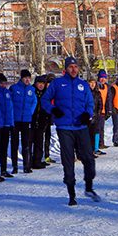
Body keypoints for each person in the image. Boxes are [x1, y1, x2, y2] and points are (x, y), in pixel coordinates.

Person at [41, 57, 99, 206]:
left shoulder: (83, 85)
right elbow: (45, 100)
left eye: (75, 66)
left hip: (81, 127)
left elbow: (89, 103)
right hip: (65, 127)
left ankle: (89, 186)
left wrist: (88, 114)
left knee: (88, 158)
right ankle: (71, 193)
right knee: (68, 160)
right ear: (65, 69)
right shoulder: (57, 84)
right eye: (70, 67)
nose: (73, 69)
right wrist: (53, 110)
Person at [9, 69, 37, 173]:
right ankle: (15, 166)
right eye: (25, 78)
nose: (27, 80)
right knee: (14, 143)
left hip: (26, 120)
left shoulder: (31, 89)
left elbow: (34, 101)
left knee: (26, 143)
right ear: (21, 78)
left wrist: (30, 112)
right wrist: (11, 115)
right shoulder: (14, 88)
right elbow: (10, 103)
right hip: (15, 120)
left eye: (29, 78)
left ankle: (27, 165)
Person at [0, 73, 14, 178]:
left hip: (7, 124)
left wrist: (11, 123)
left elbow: (10, 109)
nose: (3, 85)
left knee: (4, 148)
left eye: (5, 83)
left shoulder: (8, 93)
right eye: (1, 83)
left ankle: (4, 169)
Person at [30, 75, 48, 169]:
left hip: (41, 120)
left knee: (39, 141)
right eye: (39, 83)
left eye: (43, 83)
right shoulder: (32, 91)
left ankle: (37, 160)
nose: (41, 85)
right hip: (31, 119)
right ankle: (29, 161)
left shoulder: (45, 93)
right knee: (30, 141)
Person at [87, 76, 105, 156]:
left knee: (96, 132)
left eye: (94, 83)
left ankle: (95, 149)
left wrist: (98, 113)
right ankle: (88, 150)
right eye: (91, 83)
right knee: (88, 134)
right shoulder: (86, 92)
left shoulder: (97, 93)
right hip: (87, 116)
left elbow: (100, 104)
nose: (92, 84)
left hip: (96, 116)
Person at [97, 69, 111, 149]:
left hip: (103, 111)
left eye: (104, 78)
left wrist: (109, 110)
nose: (103, 79)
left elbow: (109, 99)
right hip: (96, 111)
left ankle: (101, 143)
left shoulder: (107, 87)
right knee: (96, 129)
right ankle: (96, 145)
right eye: (101, 77)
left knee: (101, 129)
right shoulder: (96, 86)